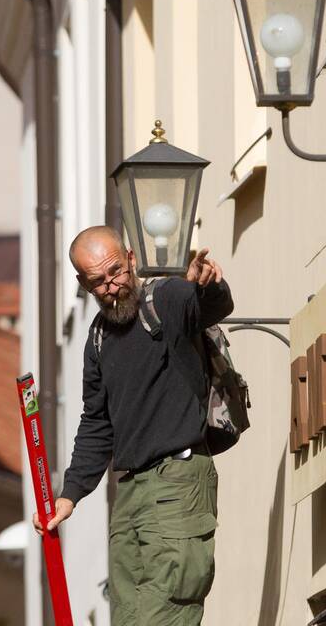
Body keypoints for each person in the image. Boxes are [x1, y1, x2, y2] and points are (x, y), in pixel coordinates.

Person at [33, 225, 233, 625]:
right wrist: (70, 495)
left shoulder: (165, 299)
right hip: (130, 495)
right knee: (127, 618)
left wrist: (206, 285)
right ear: (83, 284)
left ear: (131, 259)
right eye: (98, 282)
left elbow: (207, 306)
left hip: (177, 483)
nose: (111, 286)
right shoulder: (97, 340)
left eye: (116, 272)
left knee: (164, 612)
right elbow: (96, 423)